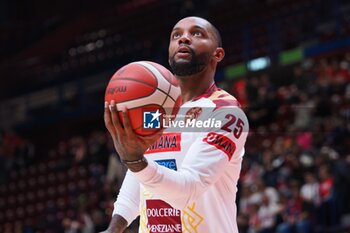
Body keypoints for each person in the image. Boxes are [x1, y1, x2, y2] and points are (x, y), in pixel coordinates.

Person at [102, 16, 249, 233]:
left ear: (217, 54)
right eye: (176, 35)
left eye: (196, 33)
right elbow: (139, 174)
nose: (184, 39)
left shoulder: (225, 112)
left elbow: (188, 190)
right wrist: (113, 228)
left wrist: (134, 160)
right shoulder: (156, 111)